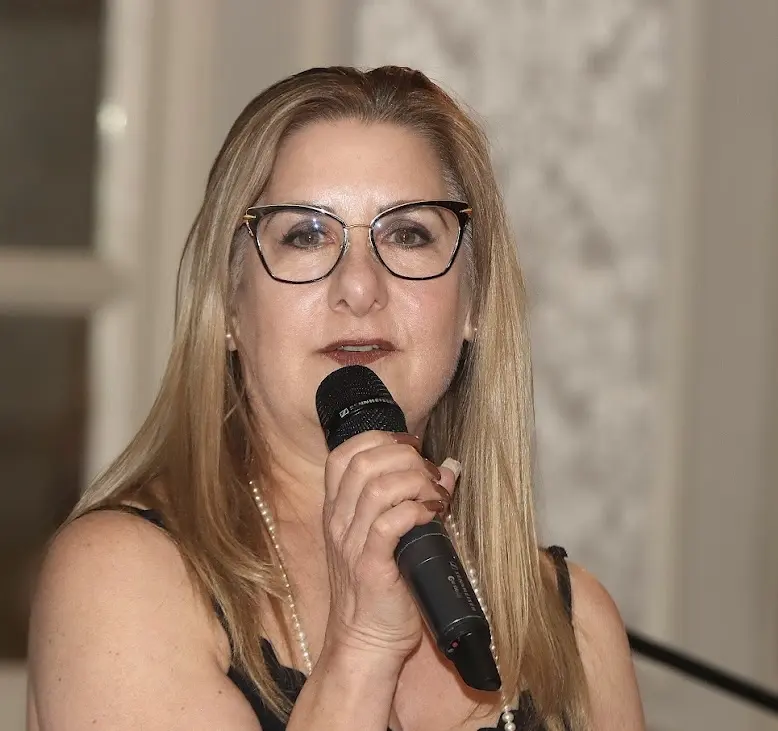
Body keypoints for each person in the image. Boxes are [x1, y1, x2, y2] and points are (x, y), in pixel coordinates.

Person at [27, 66, 644, 730]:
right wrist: (362, 648)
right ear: (231, 306)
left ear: (473, 304)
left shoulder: (576, 626)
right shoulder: (119, 581)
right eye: (305, 234)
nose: (359, 286)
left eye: (408, 233)